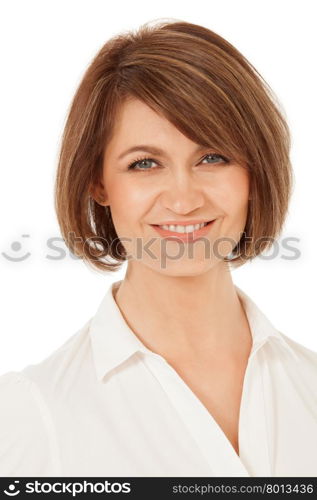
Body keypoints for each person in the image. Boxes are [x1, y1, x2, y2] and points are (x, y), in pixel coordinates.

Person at [0, 19, 316, 478]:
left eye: (213, 157)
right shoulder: (31, 414)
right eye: (144, 163)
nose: (184, 199)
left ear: (255, 172)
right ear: (98, 182)